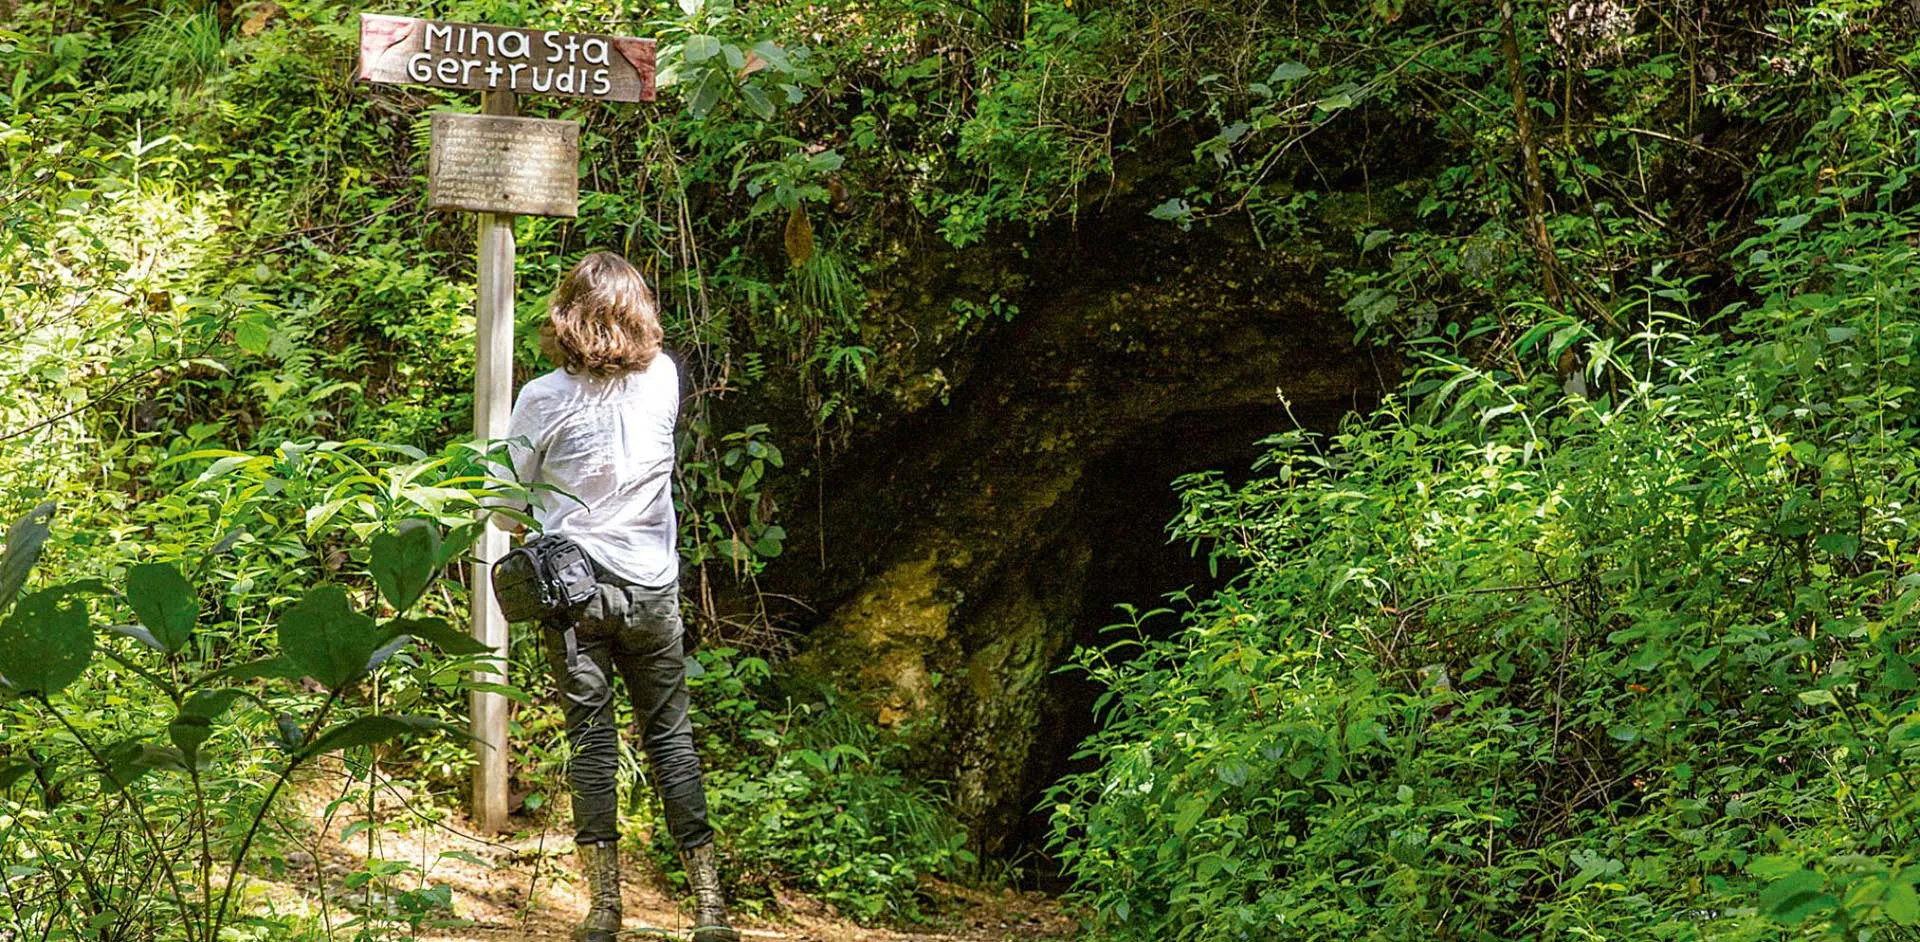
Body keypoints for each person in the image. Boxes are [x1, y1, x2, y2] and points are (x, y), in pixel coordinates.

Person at [499, 251, 738, 942]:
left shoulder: (541, 398)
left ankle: (605, 912)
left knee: (593, 744)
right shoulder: (663, 377)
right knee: (672, 739)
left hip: (575, 595)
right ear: (639, 313)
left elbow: (503, 510)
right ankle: (710, 910)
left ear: (566, 316)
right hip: (653, 588)